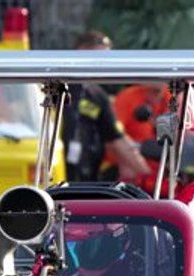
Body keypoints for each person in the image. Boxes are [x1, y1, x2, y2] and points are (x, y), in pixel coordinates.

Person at [60, 31, 149, 184]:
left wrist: (147, 173)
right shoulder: (54, 88)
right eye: (98, 57)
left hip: (85, 181)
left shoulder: (97, 96)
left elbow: (116, 138)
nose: (101, 64)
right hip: (54, 174)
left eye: (106, 58)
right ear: (80, 51)